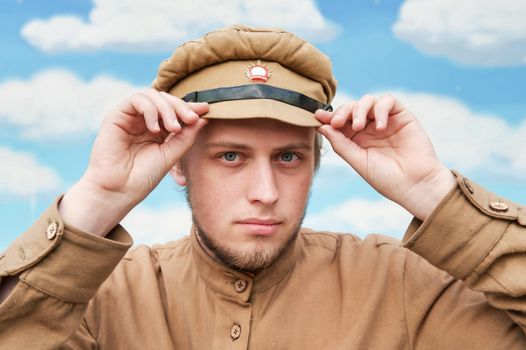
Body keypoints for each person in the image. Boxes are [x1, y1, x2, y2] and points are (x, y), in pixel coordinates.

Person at [0, 25, 525, 349]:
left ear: (317, 163)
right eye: (231, 156)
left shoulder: (405, 285)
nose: (266, 191)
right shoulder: (97, 296)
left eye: (289, 157)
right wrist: (96, 199)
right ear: (178, 164)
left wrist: (432, 191)